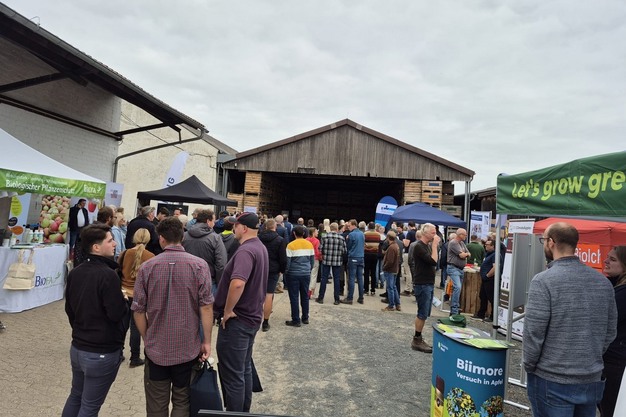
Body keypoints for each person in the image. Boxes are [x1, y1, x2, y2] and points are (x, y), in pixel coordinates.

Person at [524, 222, 617, 417]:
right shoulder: (603, 282)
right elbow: (610, 331)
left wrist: (529, 365)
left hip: (552, 379)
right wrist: (589, 357)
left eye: (543, 240)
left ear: (551, 242)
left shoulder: (543, 281)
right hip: (590, 377)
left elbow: (534, 333)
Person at [132, 217, 214, 417]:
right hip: (187, 346)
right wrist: (206, 341)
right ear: (182, 237)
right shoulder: (199, 266)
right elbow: (206, 307)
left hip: (157, 348)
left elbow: (138, 310)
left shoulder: (147, 267)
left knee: (156, 404)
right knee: (182, 400)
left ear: (161, 238)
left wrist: (146, 337)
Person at [62, 224, 128, 417]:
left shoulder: (76, 272)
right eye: (110, 241)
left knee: (76, 396)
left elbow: (70, 309)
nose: (115, 244)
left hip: (78, 348)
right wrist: (123, 300)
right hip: (101, 352)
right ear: (96, 247)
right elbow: (116, 314)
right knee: (89, 406)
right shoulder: (108, 275)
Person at [213, 212, 269, 412]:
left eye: (236, 225)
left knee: (233, 376)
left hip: (238, 320)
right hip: (251, 317)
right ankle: (243, 412)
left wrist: (228, 310)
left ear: (243, 228)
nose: (233, 229)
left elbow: (237, 283)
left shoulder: (246, 250)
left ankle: (235, 413)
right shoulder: (260, 247)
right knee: (243, 369)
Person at [118, 228, 155, 368]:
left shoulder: (125, 253)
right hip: (139, 296)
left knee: (122, 325)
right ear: (148, 239)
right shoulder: (151, 256)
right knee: (136, 327)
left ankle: (118, 353)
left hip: (123, 294)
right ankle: (135, 356)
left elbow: (119, 270)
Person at [600, 246, 626, 417]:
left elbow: (604, 322)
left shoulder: (623, 293)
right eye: (607, 257)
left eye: (613, 259)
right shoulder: (614, 286)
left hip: (616, 363)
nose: (606, 261)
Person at [410, 223, 440, 353]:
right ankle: (417, 339)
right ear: (425, 233)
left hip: (428, 282)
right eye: (433, 232)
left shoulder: (426, 246)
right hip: (422, 283)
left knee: (425, 313)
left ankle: (419, 338)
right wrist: (434, 245)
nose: (435, 235)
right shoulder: (419, 246)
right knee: (422, 313)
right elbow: (433, 261)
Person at [182, 209, 228, 295]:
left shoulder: (184, 236)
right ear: (208, 221)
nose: (214, 224)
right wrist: (219, 283)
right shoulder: (215, 238)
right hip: (208, 281)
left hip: (186, 279)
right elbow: (221, 263)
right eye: (213, 221)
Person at [258, 218, 287, 331]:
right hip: (273, 269)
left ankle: (254, 317)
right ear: (275, 227)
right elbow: (283, 259)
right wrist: (282, 270)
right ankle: (265, 322)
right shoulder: (280, 240)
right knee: (269, 294)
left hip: (260, 268)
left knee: (257, 293)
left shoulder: (258, 238)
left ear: (265, 227)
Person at [285, 226, 315, 327]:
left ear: (294, 233)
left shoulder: (290, 245)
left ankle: (296, 320)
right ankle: (305, 317)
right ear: (303, 233)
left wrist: (286, 272)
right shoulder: (309, 244)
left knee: (294, 297)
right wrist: (308, 269)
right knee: (305, 296)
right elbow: (312, 261)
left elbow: (288, 262)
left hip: (293, 274)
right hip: (305, 273)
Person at [316, 222, 347, 305]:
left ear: (330, 228)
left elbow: (320, 249)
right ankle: (336, 299)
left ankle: (321, 298)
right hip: (337, 261)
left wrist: (324, 254)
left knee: (324, 278)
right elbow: (344, 251)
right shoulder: (341, 238)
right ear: (337, 229)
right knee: (336, 279)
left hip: (326, 260)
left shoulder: (324, 237)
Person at [472, 239, 502, 322]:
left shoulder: (495, 255)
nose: (486, 246)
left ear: (493, 246)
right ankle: (481, 314)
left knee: (492, 298)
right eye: (486, 244)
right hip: (486, 280)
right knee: (483, 296)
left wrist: (488, 275)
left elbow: (495, 267)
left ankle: (493, 317)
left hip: (491, 280)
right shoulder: (489, 254)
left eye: (488, 244)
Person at [446, 228, 471, 315]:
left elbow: (468, 253)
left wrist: (465, 254)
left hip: (460, 269)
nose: (466, 236)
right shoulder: (454, 243)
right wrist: (465, 254)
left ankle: (455, 307)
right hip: (454, 268)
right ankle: (454, 309)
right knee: (457, 287)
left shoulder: (462, 243)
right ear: (460, 235)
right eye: (465, 235)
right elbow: (462, 255)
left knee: (457, 288)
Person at [342, 219, 365, 305]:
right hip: (361, 257)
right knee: (360, 278)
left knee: (351, 278)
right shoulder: (362, 234)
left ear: (353, 225)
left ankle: (350, 298)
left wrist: (347, 239)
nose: (348, 227)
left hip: (353, 257)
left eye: (349, 226)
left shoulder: (351, 235)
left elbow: (348, 247)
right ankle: (361, 298)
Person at [381, 230, 401, 312]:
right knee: (393, 287)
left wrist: (384, 267)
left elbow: (390, 261)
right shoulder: (396, 246)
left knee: (390, 288)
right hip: (395, 269)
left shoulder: (392, 247)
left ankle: (391, 305)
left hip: (390, 270)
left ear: (388, 237)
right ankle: (397, 304)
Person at [364, 222, 381, 296]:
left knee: (366, 272)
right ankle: (373, 290)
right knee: (373, 272)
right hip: (375, 254)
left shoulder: (365, 234)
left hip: (367, 254)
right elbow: (378, 244)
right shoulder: (378, 234)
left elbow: (364, 243)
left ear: (368, 227)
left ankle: (366, 290)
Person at [306, 227, 321, 299]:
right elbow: (317, 251)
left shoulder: (306, 240)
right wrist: (320, 257)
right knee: (314, 276)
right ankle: (311, 292)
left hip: (307, 259)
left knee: (308, 275)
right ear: (313, 232)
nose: (317, 232)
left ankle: (306, 290)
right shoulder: (317, 241)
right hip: (315, 259)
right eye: (316, 231)